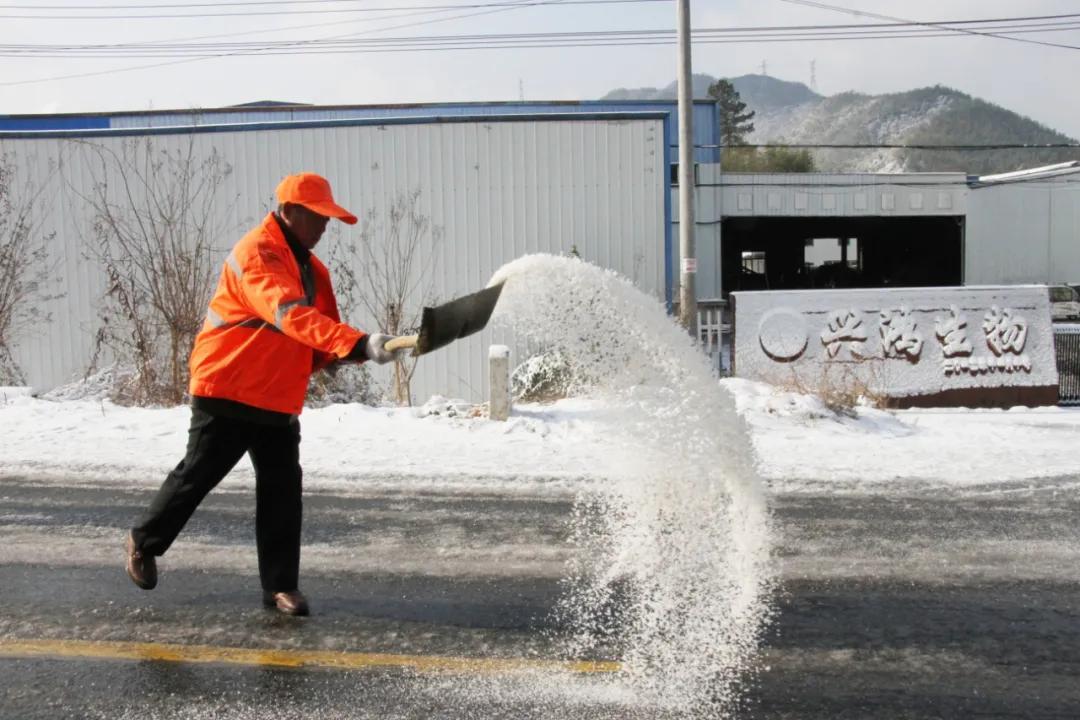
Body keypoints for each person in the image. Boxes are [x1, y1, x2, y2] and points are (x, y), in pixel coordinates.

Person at [124, 172, 404, 616]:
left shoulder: (315, 272)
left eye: (329, 219)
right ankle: (144, 542)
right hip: (229, 384)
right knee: (198, 474)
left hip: (276, 395)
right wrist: (357, 342)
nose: (325, 227)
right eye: (318, 217)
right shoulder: (258, 253)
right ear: (289, 211)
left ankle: (280, 586)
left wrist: (368, 349)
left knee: (282, 490)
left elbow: (323, 338)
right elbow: (290, 315)